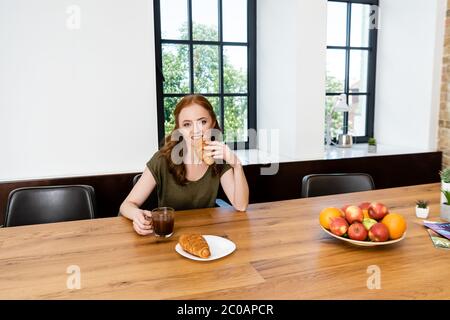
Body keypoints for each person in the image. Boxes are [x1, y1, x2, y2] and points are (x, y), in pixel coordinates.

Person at [119, 94, 249, 235]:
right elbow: (126, 205)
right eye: (187, 124)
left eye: (202, 122)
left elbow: (241, 205)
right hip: (169, 237)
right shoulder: (162, 160)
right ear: (179, 129)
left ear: (212, 123)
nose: (196, 130)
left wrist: (236, 164)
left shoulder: (219, 158)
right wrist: (136, 215)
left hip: (207, 236)